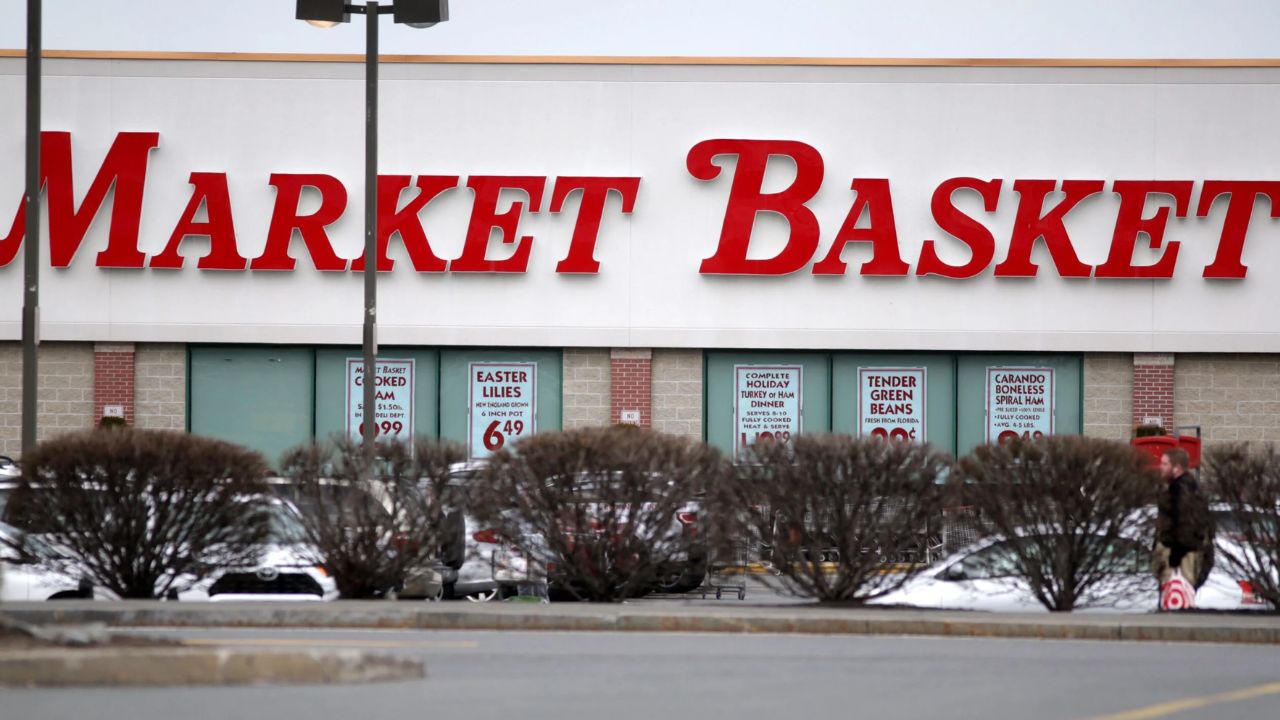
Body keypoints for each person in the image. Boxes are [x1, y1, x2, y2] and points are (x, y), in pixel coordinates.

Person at [1152, 447, 1215, 594]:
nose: (1160, 467)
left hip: (1181, 557)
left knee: (1178, 594)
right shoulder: (1188, 488)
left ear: (1177, 468)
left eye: (1165, 464)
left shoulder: (1181, 491)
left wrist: (1176, 554)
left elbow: (1186, 522)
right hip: (1183, 552)